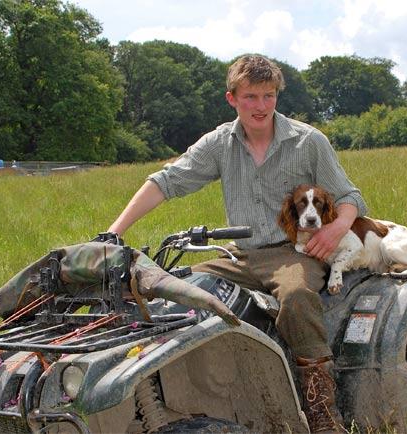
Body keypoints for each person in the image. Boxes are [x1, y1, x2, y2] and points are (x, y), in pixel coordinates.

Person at [107, 54, 367, 433]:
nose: (260, 106)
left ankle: (323, 414)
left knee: (295, 298)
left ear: (277, 95)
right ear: (232, 98)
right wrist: (115, 232)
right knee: (173, 285)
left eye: (268, 95)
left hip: (294, 252)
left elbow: (349, 196)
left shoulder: (308, 141)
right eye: (250, 97)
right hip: (240, 256)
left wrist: (335, 227)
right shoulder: (220, 143)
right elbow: (166, 181)